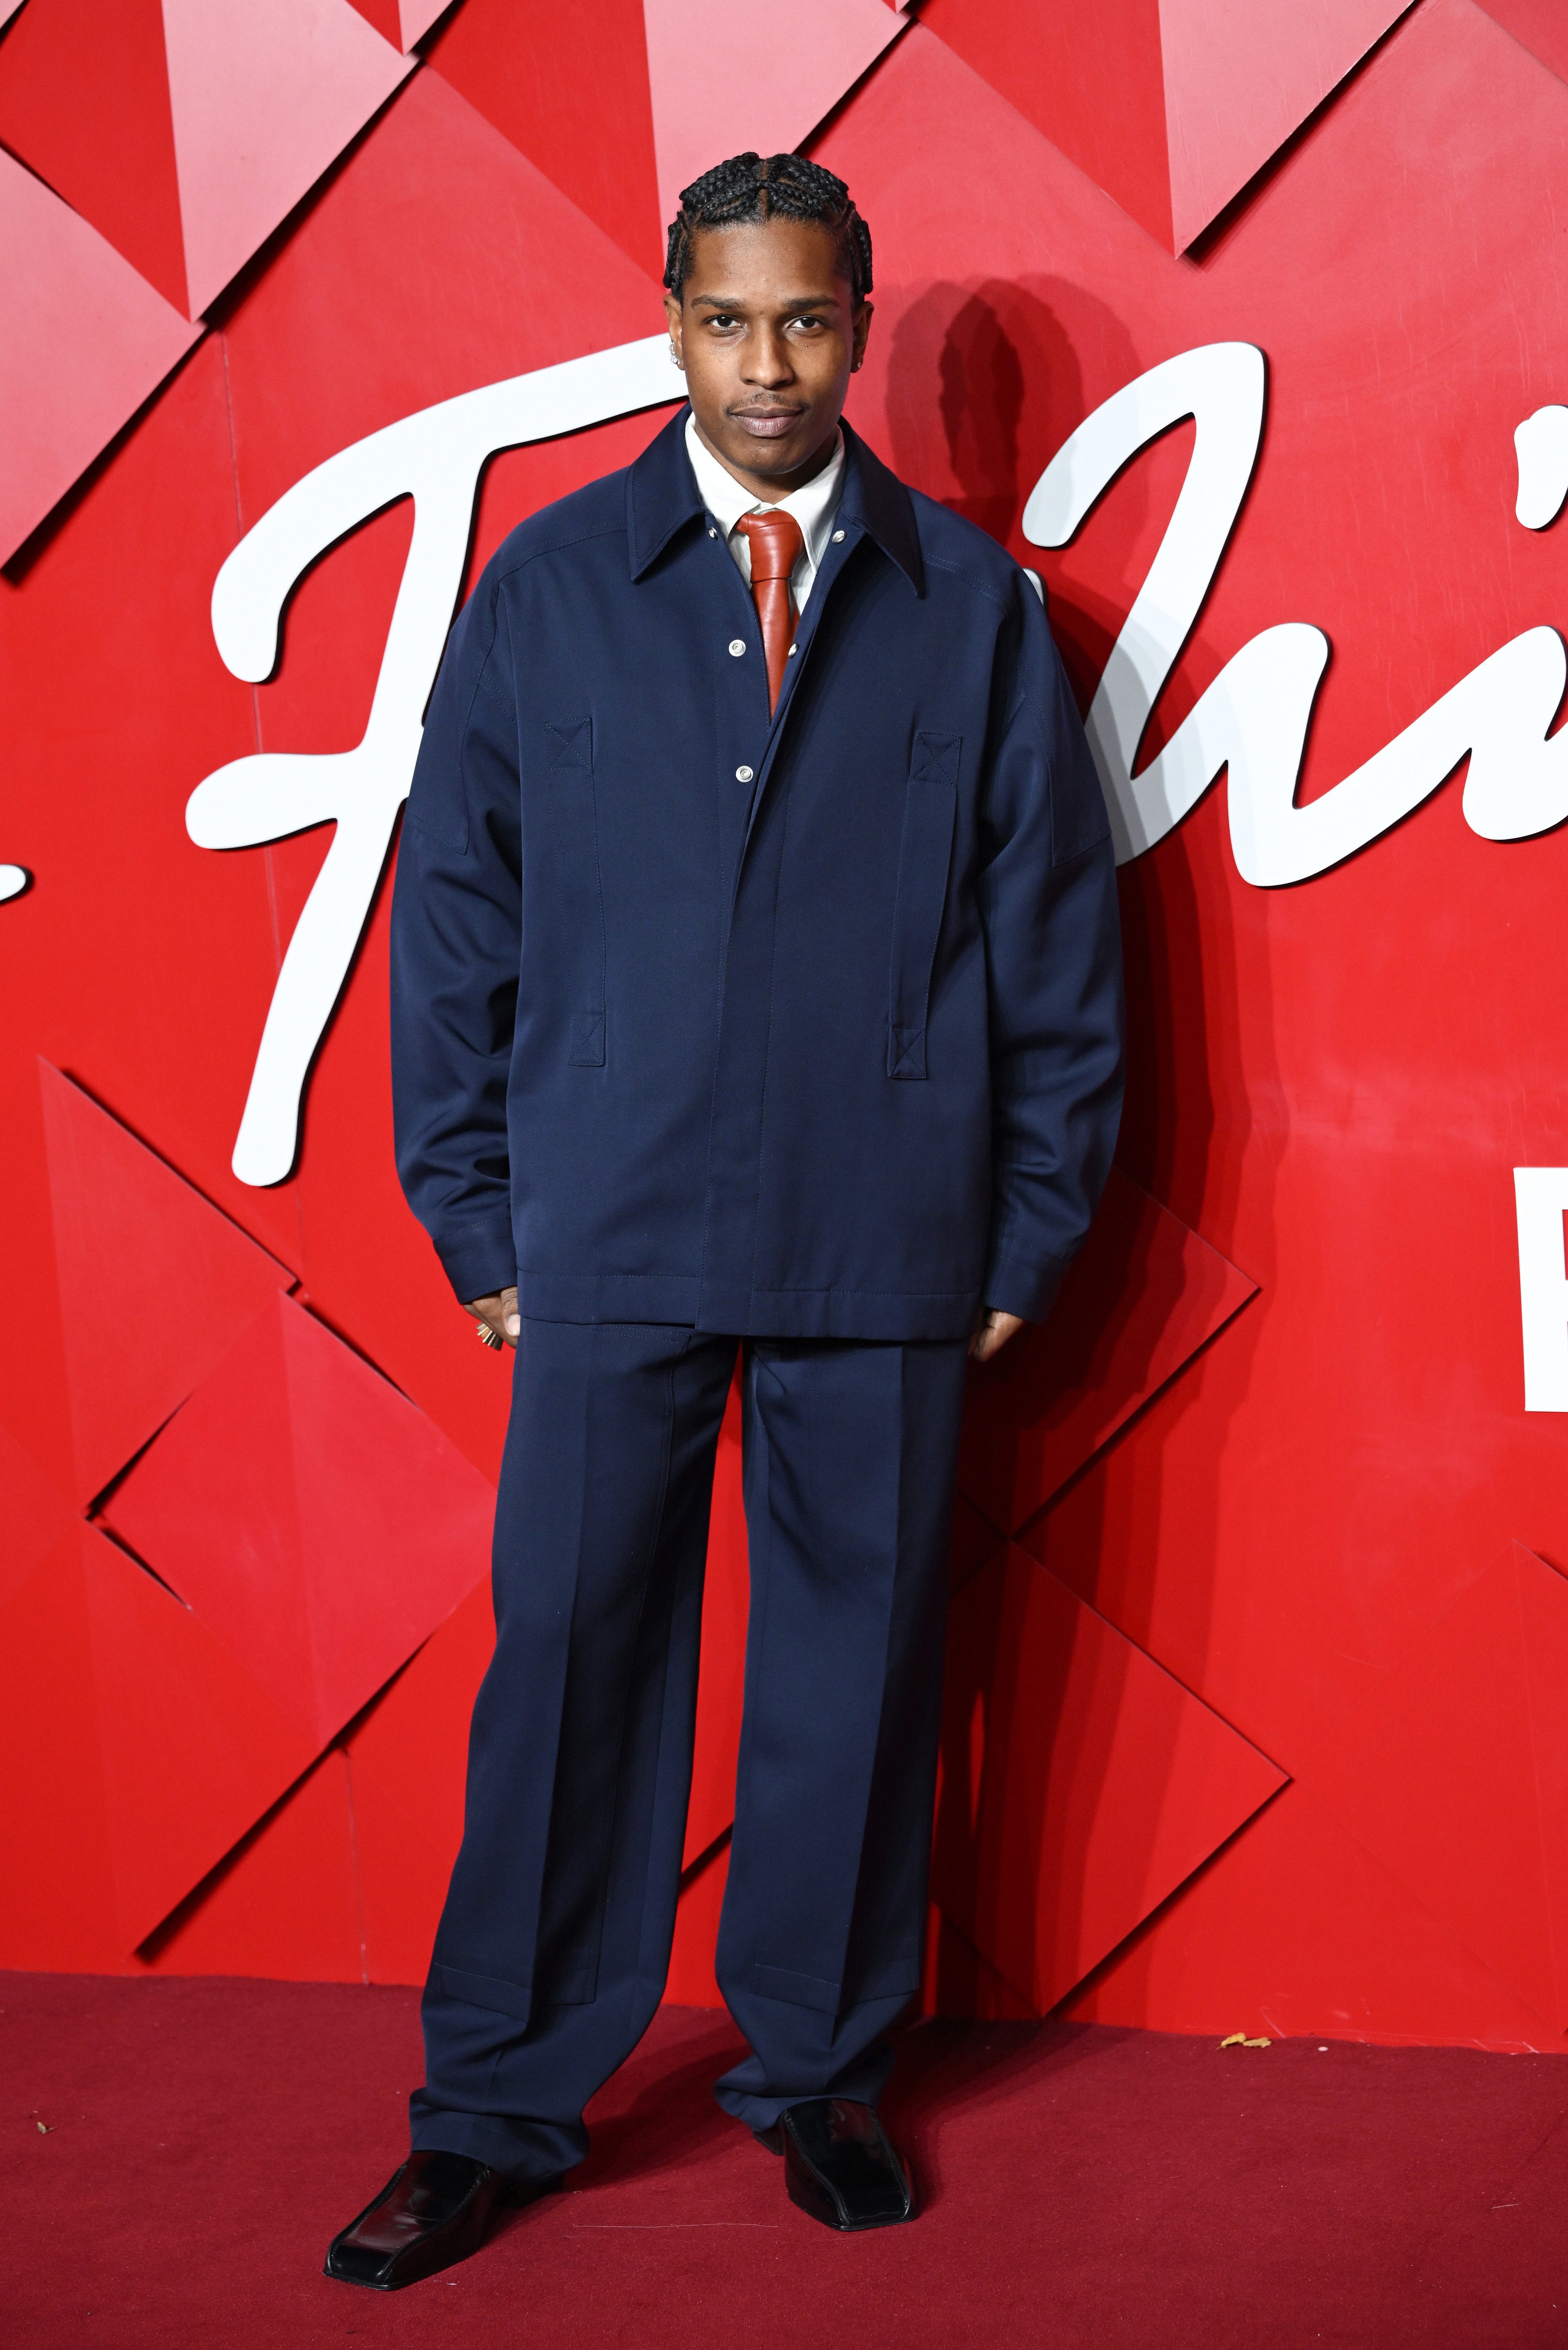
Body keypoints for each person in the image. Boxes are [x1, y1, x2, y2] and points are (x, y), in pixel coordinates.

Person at [325, 151, 1123, 2292]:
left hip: (891, 1228)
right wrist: (474, 1208)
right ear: (669, 318)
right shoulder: (551, 584)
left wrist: (1024, 1232)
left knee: (853, 1684)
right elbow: (455, 924)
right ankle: (495, 2104)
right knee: (573, 1672)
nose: (764, 364)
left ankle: (822, 2075)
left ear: (855, 327)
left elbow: (1056, 943)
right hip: (608, 1219)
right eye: (724, 320)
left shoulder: (971, 608)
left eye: (802, 321)